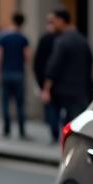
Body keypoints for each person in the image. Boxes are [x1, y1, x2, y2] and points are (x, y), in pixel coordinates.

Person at [43, 8, 93, 129]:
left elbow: (53, 66)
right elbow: (89, 63)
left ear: (61, 21)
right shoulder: (82, 40)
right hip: (81, 91)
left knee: (67, 125)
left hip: (65, 91)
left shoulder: (61, 41)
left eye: (53, 21)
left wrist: (46, 88)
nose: (52, 25)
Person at [0, 13, 31, 139]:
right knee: (20, 103)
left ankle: (6, 129)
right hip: (19, 73)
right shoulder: (23, 38)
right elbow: (27, 57)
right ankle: (22, 131)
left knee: (5, 103)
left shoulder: (3, 37)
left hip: (5, 73)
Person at [33, 13, 60, 143]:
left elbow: (37, 62)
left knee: (52, 108)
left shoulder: (47, 39)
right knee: (55, 108)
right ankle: (57, 132)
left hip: (48, 80)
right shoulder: (59, 38)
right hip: (56, 80)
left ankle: (55, 133)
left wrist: (41, 83)